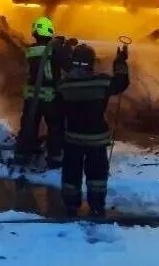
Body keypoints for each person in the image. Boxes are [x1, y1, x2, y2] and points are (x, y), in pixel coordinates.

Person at [57, 42, 129, 217]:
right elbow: (121, 83)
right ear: (91, 63)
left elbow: (57, 112)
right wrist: (120, 61)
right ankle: (96, 206)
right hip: (96, 140)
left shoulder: (64, 86)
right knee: (97, 175)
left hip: (72, 138)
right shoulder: (101, 82)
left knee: (71, 173)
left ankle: (71, 206)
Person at [14, 16, 64, 168]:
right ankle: (55, 158)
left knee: (29, 125)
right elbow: (65, 63)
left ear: (35, 32)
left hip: (32, 96)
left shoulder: (30, 50)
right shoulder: (54, 49)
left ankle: (23, 154)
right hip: (50, 96)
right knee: (55, 127)